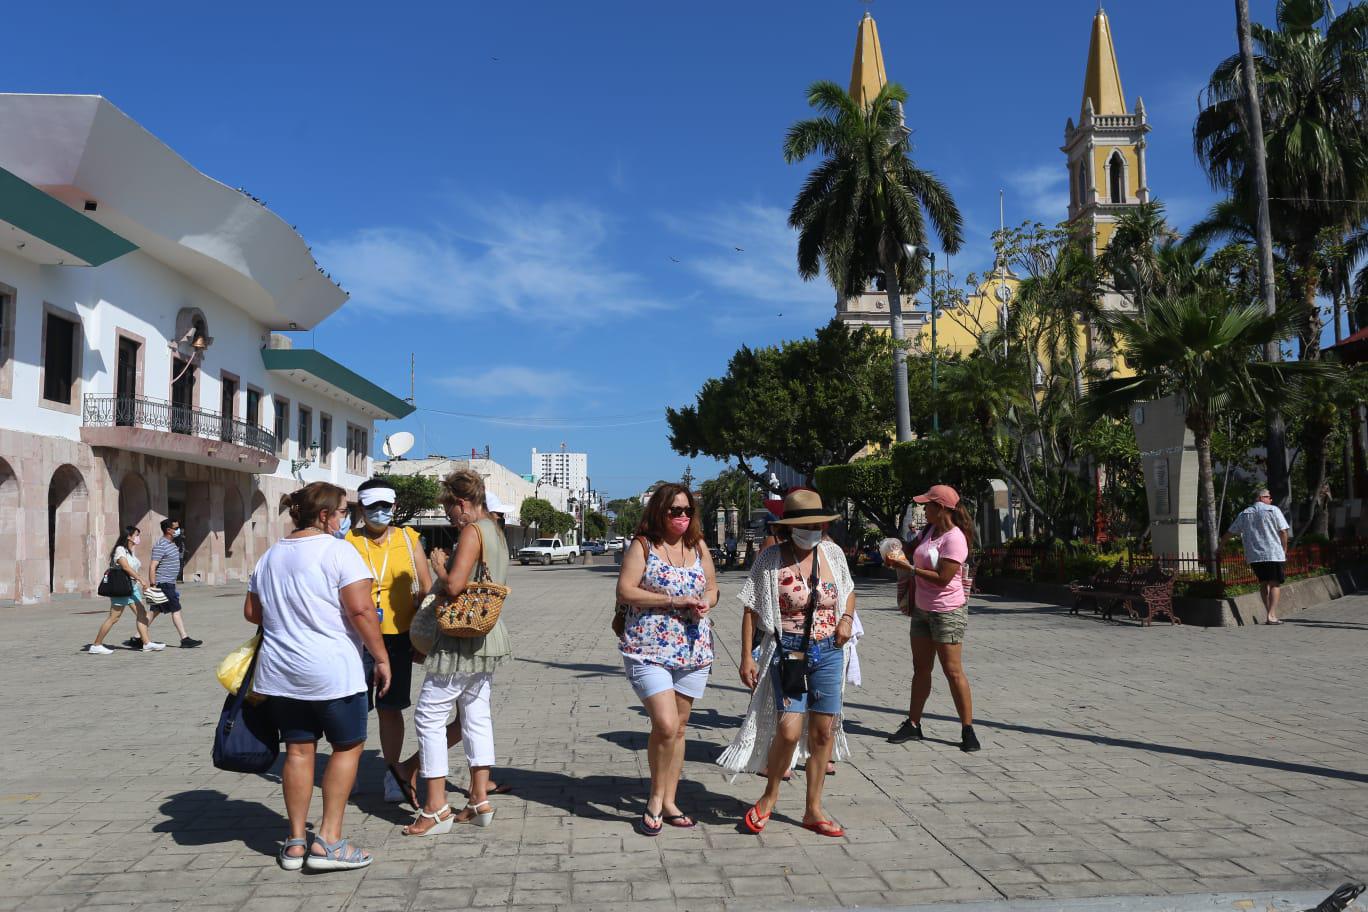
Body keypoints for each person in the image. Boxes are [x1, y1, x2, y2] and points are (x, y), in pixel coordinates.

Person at [243, 482, 388, 872]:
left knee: (298, 750)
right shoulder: (341, 552)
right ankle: (329, 840)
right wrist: (381, 657)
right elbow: (360, 612)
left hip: (282, 673)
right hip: (332, 672)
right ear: (324, 515)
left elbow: (252, 613)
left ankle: (294, 843)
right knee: (347, 747)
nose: (346, 519)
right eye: (343, 512)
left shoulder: (270, 555)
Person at [719, 488, 855, 837]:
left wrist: (846, 620)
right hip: (788, 652)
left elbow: (849, 590)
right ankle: (769, 796)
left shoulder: (833, 553)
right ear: (790, 526)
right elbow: (751, 608)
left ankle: (813, 808)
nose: (814, 530)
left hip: (829, 651)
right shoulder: (771, 559)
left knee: (823, 731)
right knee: (790, 729)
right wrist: (746, 656)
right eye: (806, 524)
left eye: (818, 524)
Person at [401, 469, 513, 835]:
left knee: (429, 716)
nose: (451, 517)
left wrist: (438, 566)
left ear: (462, 503)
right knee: (475, 715)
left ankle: (435, 808)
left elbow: (454, 586)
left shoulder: (472, 530)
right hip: (486, 635)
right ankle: (479, 799)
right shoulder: (496, 531)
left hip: (460, 638)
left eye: (450, 510)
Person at [614, 483, 718, 836]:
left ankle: (671, 800)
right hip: (648, 649)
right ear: (659, 511)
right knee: (667, 724)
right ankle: (656, 799)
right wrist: (674, 602)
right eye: (675, 511)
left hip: (693, 650)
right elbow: (626, 590)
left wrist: (707, 601)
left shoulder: (698, 546)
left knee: (680, 728)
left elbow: (713, 588)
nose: (683, 517)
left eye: (687, 511)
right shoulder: (643, 546)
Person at [345, 478, 432, 804]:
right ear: (361, 508)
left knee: (390, 708)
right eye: (372, 507)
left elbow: (426, 587)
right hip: (355, 637)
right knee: (352, 706)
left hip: (398, 638)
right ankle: (347, 772)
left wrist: (422, 635)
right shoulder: (348, 541)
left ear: (394, 506)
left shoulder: (410, 540)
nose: (380, 513)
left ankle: (393, 773)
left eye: (386, 506)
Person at [887, 484, 980, 752]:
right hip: (922, 610)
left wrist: (910, 569)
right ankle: (913, 724)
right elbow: (910, 550)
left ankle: (967, 729)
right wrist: (894, 553)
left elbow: (943, 578)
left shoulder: (955, 538)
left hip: (947, 611)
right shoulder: (929, 531)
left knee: (952, 671)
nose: (923, 509)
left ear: (941, 508)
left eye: (927, 505)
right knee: (921, 669)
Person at [88, 526, 162, 654]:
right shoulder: (120, 550)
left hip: (132, 588)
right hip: (122, 588)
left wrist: (138, 581)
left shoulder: (130, 551)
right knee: (114, 617)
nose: (138, 538)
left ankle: (146, 643)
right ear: (129, 536)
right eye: (136, 535)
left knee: (142, 614)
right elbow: (126, 567)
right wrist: (141, 579)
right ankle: (96, 645)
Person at [1224, 488, 1291, 625]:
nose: (1271, 500)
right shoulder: (1273, 510)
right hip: (1273, 553)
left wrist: (1220, 546)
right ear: (1261, 498)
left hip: (1255, 555)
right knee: (1275, 583)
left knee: (1263, 583)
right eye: (1269, 497)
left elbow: (1230, 532)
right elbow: (1283, 531)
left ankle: (1269, 613)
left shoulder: (1244, 514)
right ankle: (1271, 615)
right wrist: (1284, 549)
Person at [140, 519, 201, 648]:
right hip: (164, 584)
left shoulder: (172, 543)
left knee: (154, 612)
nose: (179, 530)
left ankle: (137, 637)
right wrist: (153, 585)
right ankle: (184, 638)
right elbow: (152, 566)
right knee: (176, 609)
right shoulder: (161, 545)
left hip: (169, 583)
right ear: (168, 530)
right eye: (176, 528)